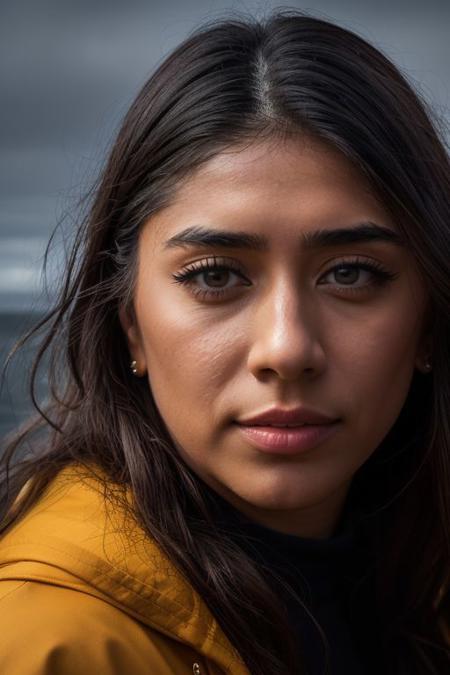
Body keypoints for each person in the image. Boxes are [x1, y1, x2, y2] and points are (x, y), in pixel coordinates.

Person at [0, 9, 448, 675]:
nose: (286, 348)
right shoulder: (51, 643)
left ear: (429, 320)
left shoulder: (423, 583)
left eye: (351, 273)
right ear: (130, 323)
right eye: (215, 275)